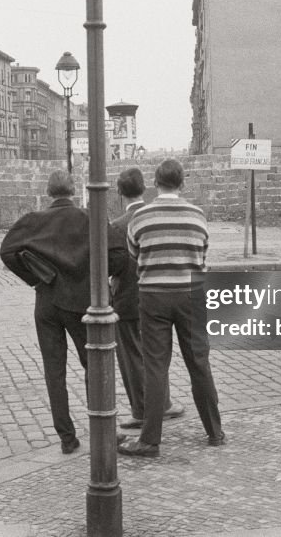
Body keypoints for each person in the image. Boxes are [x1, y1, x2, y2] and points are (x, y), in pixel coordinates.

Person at [0, 169, 126, 454]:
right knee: (93, 363)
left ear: (49, 193)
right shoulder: (89, 218)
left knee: (54, 370)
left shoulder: (33, 222)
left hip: (46, 301)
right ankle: (101, 426)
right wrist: (96, 275)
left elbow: (7, 251)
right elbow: (119, 255)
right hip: (82, 302)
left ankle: (67, 437)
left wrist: (36, 275)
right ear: (73, 190)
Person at [119, 159, 224, 458]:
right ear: (182, 184)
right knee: (199, 363)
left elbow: (134, 254)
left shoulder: (141, 216)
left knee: (155, 366)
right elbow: (202, 252)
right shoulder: (197, 215)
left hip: (153, 295)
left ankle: (150, 440)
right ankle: (214, 431)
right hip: (191, 294)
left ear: (156, 183)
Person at [110, 167, 184, 429]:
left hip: (127, 299)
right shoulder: (154, 216)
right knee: (155, 354)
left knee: (131, 358)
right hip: (155, 296)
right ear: (145, 188)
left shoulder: (118, 226)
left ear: (119, 192)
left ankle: (141, 410)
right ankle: (164, 403)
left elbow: (113, 265)